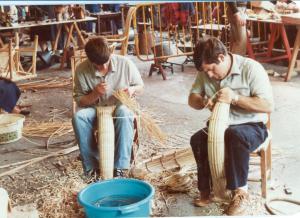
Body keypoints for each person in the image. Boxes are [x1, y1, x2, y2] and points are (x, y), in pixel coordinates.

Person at [189, 37, 273, 215]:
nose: (209, 75)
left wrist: (235, 98)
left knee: (235, 136)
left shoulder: (251, 69)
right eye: (206, 71)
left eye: (211, 69)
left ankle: (240, 192)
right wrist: (204, 101)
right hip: (220, 126)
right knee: (197, 139)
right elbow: (192, 99)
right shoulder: (205, 71)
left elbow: (267, 105)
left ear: (221, 57)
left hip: (252, 126)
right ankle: (206, 189)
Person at [72, 36, 144, 179]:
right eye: (98, 65)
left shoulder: (125, 63)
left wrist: (131, 90)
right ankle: (92, 167)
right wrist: (95, 94)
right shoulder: (81, 69)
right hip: (96, 109)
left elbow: (140, 86)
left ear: (110, 53)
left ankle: (121, 167)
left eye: (105, 62)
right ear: (90, 61)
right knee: (78, 117)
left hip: (119, 106)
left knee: (123, 113)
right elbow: (81, 102)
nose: (103, 68)